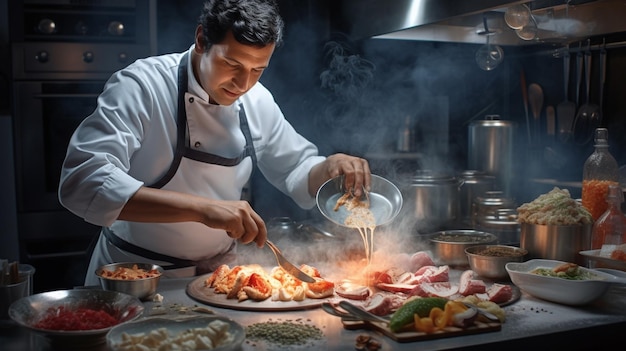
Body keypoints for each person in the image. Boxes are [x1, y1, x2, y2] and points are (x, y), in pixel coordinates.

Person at [58, 0, 371, 286]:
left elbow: (296, 168)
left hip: (216, 280)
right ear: (201, 40)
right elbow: (82, 182)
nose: (243, 83)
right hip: (133, 278)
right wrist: (203, 210)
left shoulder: (256, 101)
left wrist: (329, 166)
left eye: (257, 70)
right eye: (232, 65)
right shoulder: (142, 86)